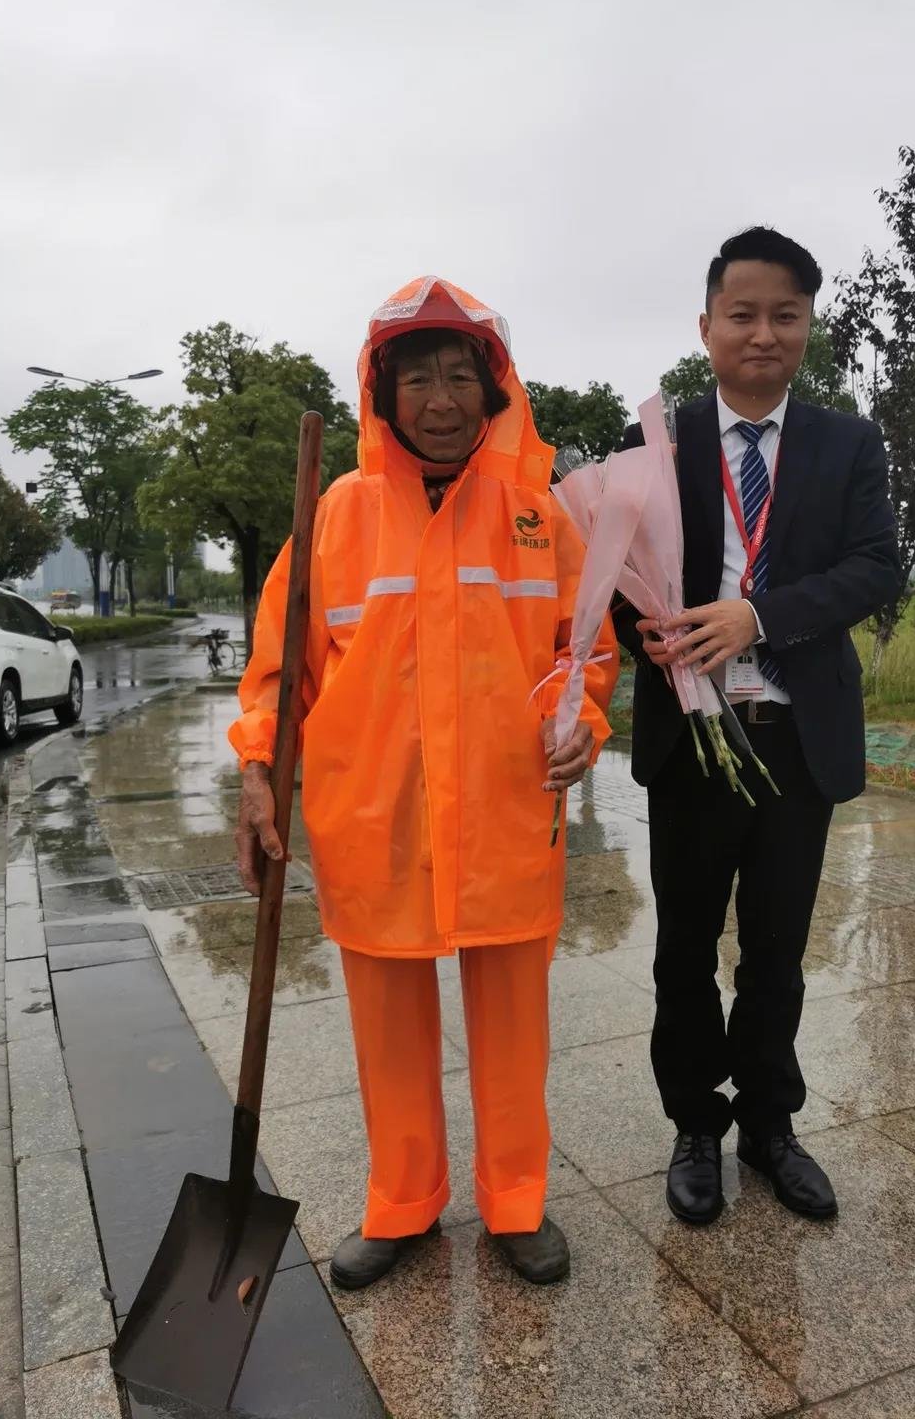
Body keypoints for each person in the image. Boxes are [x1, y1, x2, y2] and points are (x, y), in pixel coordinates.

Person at [229, 277, 617, 1288]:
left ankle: (516, 1203)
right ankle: (402, 1203)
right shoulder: (336, 517)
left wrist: (579, 722)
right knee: (389, 1027)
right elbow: (279, 672)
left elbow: (587, 653)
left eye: (459, 377)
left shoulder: (541, 517)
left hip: (503, 810)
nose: (441, 401)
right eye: (417, 380)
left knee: (512, 1024)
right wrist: (258, 778)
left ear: (493, 391)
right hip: (374, 814)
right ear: (383, 393)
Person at [613, 228, 901, 1226]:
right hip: (693, 737)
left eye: (785, 315)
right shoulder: (659, 447)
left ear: (808, 326)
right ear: (706, 327)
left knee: (777, 949)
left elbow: (874, 567)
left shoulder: (848, 444)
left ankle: (771, 1128)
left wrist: (759, 616)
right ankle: (696, 1125)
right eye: (743, 314)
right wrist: (644, 631)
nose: (763, 333)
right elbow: (614, 576)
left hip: (794, 736)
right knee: (685, 948)